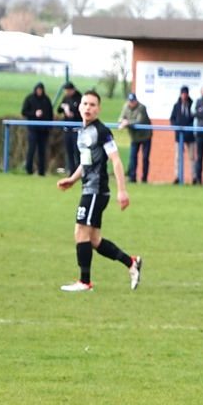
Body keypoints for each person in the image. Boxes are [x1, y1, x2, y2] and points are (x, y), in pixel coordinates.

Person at [56, 90, 141, 292]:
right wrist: (73, 179)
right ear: (79, 106)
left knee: (80, 231)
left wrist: (122, 191)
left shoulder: (102, 131)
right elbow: (86, 161)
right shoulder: (83, 131)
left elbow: (116, 160)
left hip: (96, 190)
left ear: (99, 109)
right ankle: (131, 263)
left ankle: (85, 282)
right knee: (94, 240)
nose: (88, 107)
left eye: (92, 105)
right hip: (88, 189)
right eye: (85, 103)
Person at [119, 92, 152, 183]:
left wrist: (127, 122)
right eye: (130, 101)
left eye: (133, 101)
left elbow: (139, 121)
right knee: (133, 156)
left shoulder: (141, 107)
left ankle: (144, 178)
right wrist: (123, 121)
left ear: (136, 100)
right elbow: (120, 118)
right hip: (134, 137)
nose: (132, 103)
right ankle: (132, 177)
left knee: (145, 157)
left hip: (145, 135)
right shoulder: (125, 107)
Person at [22, 82, 53, 176]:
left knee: (42, 151)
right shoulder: (30, 99)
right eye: (38, 90)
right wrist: (34, 114)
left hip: (44, 130)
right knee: (31, 150)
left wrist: (49, 126)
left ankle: (41, 171)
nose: (39, 92)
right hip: (33, 129)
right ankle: (29, 170)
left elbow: (50, 114)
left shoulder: (46, 100)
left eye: (41, 90)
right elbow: (24, 111)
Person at [169, 86, 196, 184]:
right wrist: (176, 128)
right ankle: (177, 177)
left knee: (192, 157)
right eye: (182, 93)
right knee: (178, 157)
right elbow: (172, 118)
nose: (184, 95)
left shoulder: (192, 105)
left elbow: (194, 119)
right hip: (178, 135)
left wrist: (188, 130)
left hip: (190, 135)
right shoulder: (176, 106)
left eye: (185, 93)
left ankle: (194, 177)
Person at [57, 82, 82, 175]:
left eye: (69, 90)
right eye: (66, 91)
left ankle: (79, 172)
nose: (67, 92)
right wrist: (63, 107)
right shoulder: (66, 98)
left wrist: (72, 113)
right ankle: (71, 171)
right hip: (67, 129)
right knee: (69, 151)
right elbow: (59, 110)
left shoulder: (79, 98)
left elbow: (80, 114)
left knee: (77, 151)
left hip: (76, 129)